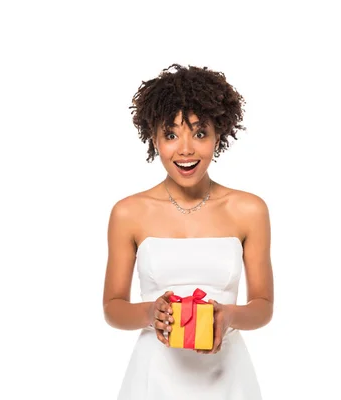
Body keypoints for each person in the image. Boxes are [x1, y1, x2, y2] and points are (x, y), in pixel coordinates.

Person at [102, 64, 274, 399]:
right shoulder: (128, 212)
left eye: (199, 133)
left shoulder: (250, 210)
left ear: (217, 136)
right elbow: (112, 306)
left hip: (228, 377)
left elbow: (263, 305)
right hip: (153, 379)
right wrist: (151, 313)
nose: (185, 150)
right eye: (170, 134)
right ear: (153, 138)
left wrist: (229, 318)